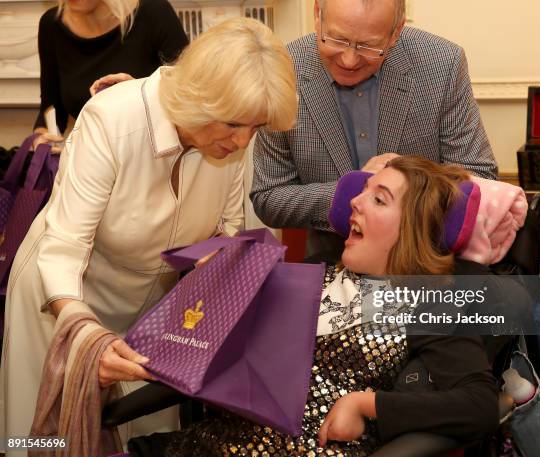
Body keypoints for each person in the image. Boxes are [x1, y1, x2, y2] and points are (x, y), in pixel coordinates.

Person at [0, 17, 297, 449]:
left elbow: (226, 228)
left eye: (255, 128)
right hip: (63, 297)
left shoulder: (232, 140)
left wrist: (219, 265)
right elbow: (63, 248)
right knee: (50, 440)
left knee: (142, 436)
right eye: (235, 125)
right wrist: (84, 334)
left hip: (151, 310)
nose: (242, 142)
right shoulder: (112, 120)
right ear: (201, 99)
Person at [128, 156, 500, 457]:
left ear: (413, 227)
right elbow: (207, 347)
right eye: (363, 191)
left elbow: (478, 406)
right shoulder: (306, 273)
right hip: (208, 443)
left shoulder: (425, 302)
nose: (354, 200)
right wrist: (215, 284)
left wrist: (366, 404)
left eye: (379, 198)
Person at [250, 0, 498, 260]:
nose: (348, 59)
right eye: (336, 39)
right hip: (330, 265)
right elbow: (268, 197)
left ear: (396, 32)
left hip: (423, 265)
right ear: (317, 14)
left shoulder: (442, 65)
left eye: (368, 46)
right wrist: (353, 191)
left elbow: (480, 178)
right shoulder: (284, 70)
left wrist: (404, 187)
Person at [33, 0, 188, 150]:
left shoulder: (154, 12)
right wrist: (41, 137)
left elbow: (190, 99)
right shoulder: (51, 24)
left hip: (153, 159)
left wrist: (142, 95)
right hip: (91, 160)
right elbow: (51, 108)